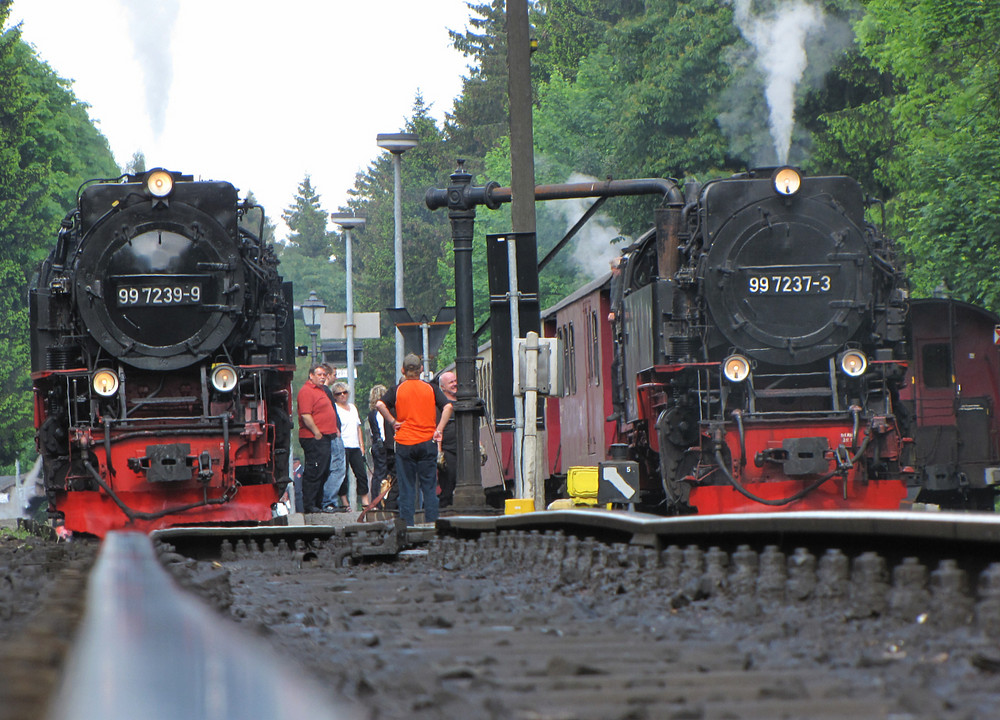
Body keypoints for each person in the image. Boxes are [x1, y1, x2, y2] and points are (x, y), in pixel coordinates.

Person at [376, 354, 453, 526]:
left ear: (403, 370)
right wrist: (438, 429)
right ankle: (433, 525)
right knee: (429, 487)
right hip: (427, 442)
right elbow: (448, 406)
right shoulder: (431, 388)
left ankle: (408, 526)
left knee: (407, 488)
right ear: (421, 370)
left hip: (405, 443)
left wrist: (393, 421)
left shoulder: (397, 389)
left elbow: (380, 404)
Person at [296, 364, 338, 513]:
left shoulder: (322, 391)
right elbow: (306, 415)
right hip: (314, 438)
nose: (322, 377)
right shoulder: (307, 391)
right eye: (319, 374)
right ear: (311, 376)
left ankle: (318, 503)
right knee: (314, 470)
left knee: (323, 470)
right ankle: (309, 504)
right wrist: (316, 432)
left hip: (325, 436)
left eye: (324, 375)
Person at [332, 381, 370, 509]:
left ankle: (365, 500)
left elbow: (358, 427)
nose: (342, 395)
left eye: (345, 392)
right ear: (335, 396)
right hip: (342, 445)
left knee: (361, 473)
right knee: (343, 474)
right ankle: (345, 502)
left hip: (354, 446)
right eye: (339, 393)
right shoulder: (335, 408)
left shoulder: (353, 408)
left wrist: (361, 445)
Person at [320, 363, 347, 510]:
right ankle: (329, 501)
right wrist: (335, 427)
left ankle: (328, 500)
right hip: (333, 434)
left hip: (331, 432)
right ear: (328, 375)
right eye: (334, 375)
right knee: (338, 468)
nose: (335, 378)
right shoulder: (325, 392)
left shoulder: (323, 391)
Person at [367, 384, 396, 510]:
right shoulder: (383, 413)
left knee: (378, 474)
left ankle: (375, 500)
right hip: (383, 445)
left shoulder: (371, 414)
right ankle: (383, 501)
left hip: (376, 445)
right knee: (386, 473)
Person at [436, 371, 458, 507]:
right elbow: (438, 429)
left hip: (464, 447)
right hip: (448, 449)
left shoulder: (463, 402)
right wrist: (439, 453)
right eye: (451, 382)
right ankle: (445, 511)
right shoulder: (440, 406)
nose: (455, 384)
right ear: (443, 387)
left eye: (455, 381)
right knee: (449, 482)